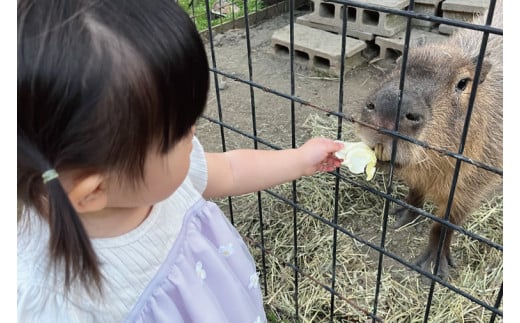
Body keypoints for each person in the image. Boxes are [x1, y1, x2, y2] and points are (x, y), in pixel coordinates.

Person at [17, 0, 345, 322]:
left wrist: (299, 160)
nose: (194, 131)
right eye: (178, 134)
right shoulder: (49, 300)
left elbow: (231, 170)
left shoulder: (156, 180)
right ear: (92, 192)